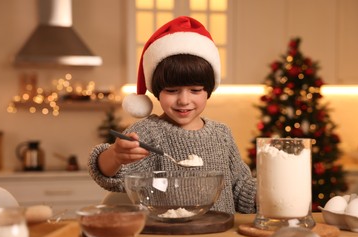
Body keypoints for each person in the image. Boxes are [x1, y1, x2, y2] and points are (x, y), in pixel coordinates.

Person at [88, 16, 256, 214]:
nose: (184, 100)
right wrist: (116, 156)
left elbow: (240, 187)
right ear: (157, 91)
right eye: (172, 90)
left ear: (208, 90)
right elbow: (109, 176)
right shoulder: (148, 133)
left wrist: (274, 192)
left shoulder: (222, 134)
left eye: (195, 90)